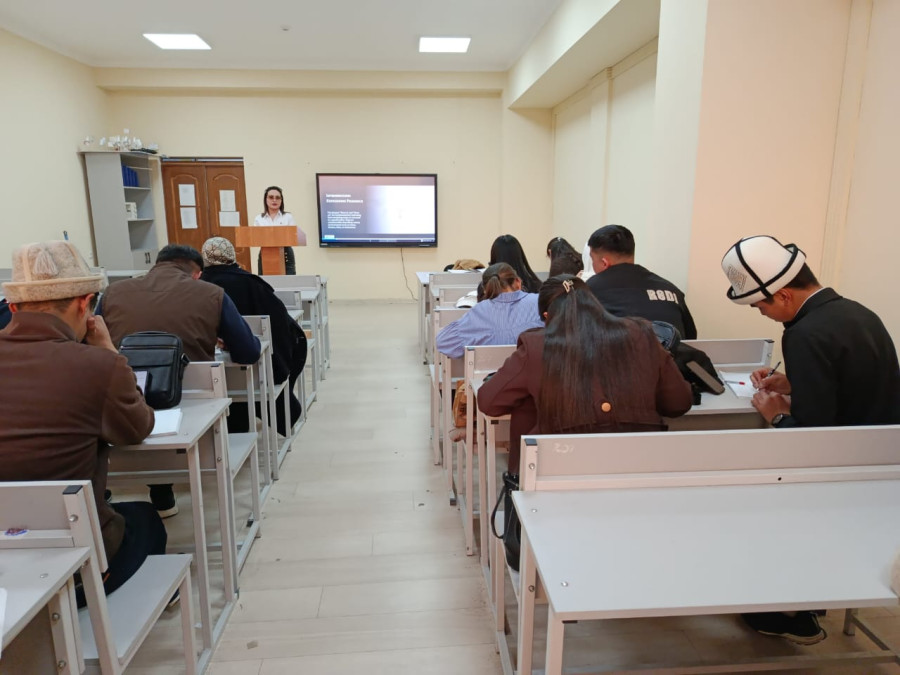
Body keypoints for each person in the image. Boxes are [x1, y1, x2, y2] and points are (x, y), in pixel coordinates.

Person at [721, 234, 900, 645]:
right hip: (882, 466)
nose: (763, 314)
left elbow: (812, 440)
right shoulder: (859, 313)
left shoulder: (803, 333)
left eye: (761, 305)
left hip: (843, 477)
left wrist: (776, 415)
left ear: (783, 294)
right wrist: (796, 383)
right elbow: (858, 384)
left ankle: (791, 612)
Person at [0, 241, 163, 606]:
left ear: (12, 307)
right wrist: (109, 351)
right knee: (146, 519)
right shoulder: (99, 366)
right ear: (84, 303)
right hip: (74, 554)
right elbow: (138, 427)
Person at [99, 244, 261, 517]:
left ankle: (136, 490)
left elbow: (92, 343)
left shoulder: (112, 293)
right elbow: (248, 353)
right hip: (189, 401)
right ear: (197, 273)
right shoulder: (212, 294)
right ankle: (161, 489)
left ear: (156, 265)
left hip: (121, 400)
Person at [478, 275, 692, 473]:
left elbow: (489, 402)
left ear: (547, 317)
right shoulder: (642, 334)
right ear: (596, 305)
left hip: (559, 471)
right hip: (641, 468)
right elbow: (679, 403)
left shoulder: (537, 346)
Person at [200, 237, 307, 435]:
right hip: (255, 371)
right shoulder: (252, 284)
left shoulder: (197, 288)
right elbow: (280, 325)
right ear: (231, 256)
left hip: (206, 378)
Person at [586, 224, 698, 339]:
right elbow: (691, 339)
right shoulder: (672, 290)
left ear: (604, 263)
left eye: (592, 259)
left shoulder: (590, 289)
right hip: (674, 351)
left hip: (622, 350)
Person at [435, 263, 543, 359]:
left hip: (492, 374)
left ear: (485, 289)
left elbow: (443, 342)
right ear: (518, 282)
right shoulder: (540, 302)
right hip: (537, 372)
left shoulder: (479, 311)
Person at [253, 185, 307, 275]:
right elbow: (255, 238)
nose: (274, 200)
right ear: (266, 200)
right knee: (264, 282)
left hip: (285, 254)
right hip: (265, 254)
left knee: (288, 281)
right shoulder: (259, 218)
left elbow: (294, 236)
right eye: (271, 197)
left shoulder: (288, 217)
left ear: (281, 200)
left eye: (277, 198)